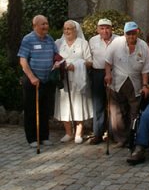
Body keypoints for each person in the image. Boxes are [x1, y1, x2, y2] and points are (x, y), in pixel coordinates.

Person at [105, 21, 149, 147]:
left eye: (133, 33)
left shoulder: (143, 46)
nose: (131, 36)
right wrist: (108, 74)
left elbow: (146, 69)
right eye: (129, 34)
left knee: (134, 111)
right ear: (124, 34)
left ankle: (134, 137)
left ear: (137, 32)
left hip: (135, 83)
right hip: (117, 81)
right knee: (117, 112)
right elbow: (107, 62)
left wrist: (145, 85)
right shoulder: (116, 43)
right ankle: (121, 139)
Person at [18, 15, 58, 147]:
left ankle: (44, 136)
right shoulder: (28, 39)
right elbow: (23, 60)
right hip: (32, 80)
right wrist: (32, 77)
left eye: (46, 23)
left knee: (44, 110)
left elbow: (55, 55)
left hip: (46, 80)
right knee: (31, 110)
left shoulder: (50, 39)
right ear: (35, 26)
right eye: (43, 24)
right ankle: (32, 138)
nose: (46, 26)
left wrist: (57, 62)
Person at [54, 20, 93, 144]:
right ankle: (68, 132)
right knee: (64, 105)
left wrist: (77, 65)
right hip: (63, 79)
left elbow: (89, 62)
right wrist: (60, 65)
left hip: (78, 79)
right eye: (65, 29)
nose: (67, 31)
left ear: (76, 30)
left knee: (78, 104)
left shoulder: (83, 43)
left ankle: (78, 133)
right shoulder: (58, 43)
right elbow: (53, 59)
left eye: (69, 29)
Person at [88, 18, 119, 144]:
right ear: (97, 29)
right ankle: (98, 133)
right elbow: (89, 58)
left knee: (113, 103)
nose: (105, 30)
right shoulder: (93, 40)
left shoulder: (118, 40)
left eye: (107, 28)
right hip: (97, 72)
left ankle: (113, 133)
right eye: (102, 28)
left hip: (114, 72)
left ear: (112, 29)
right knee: (98, 103)